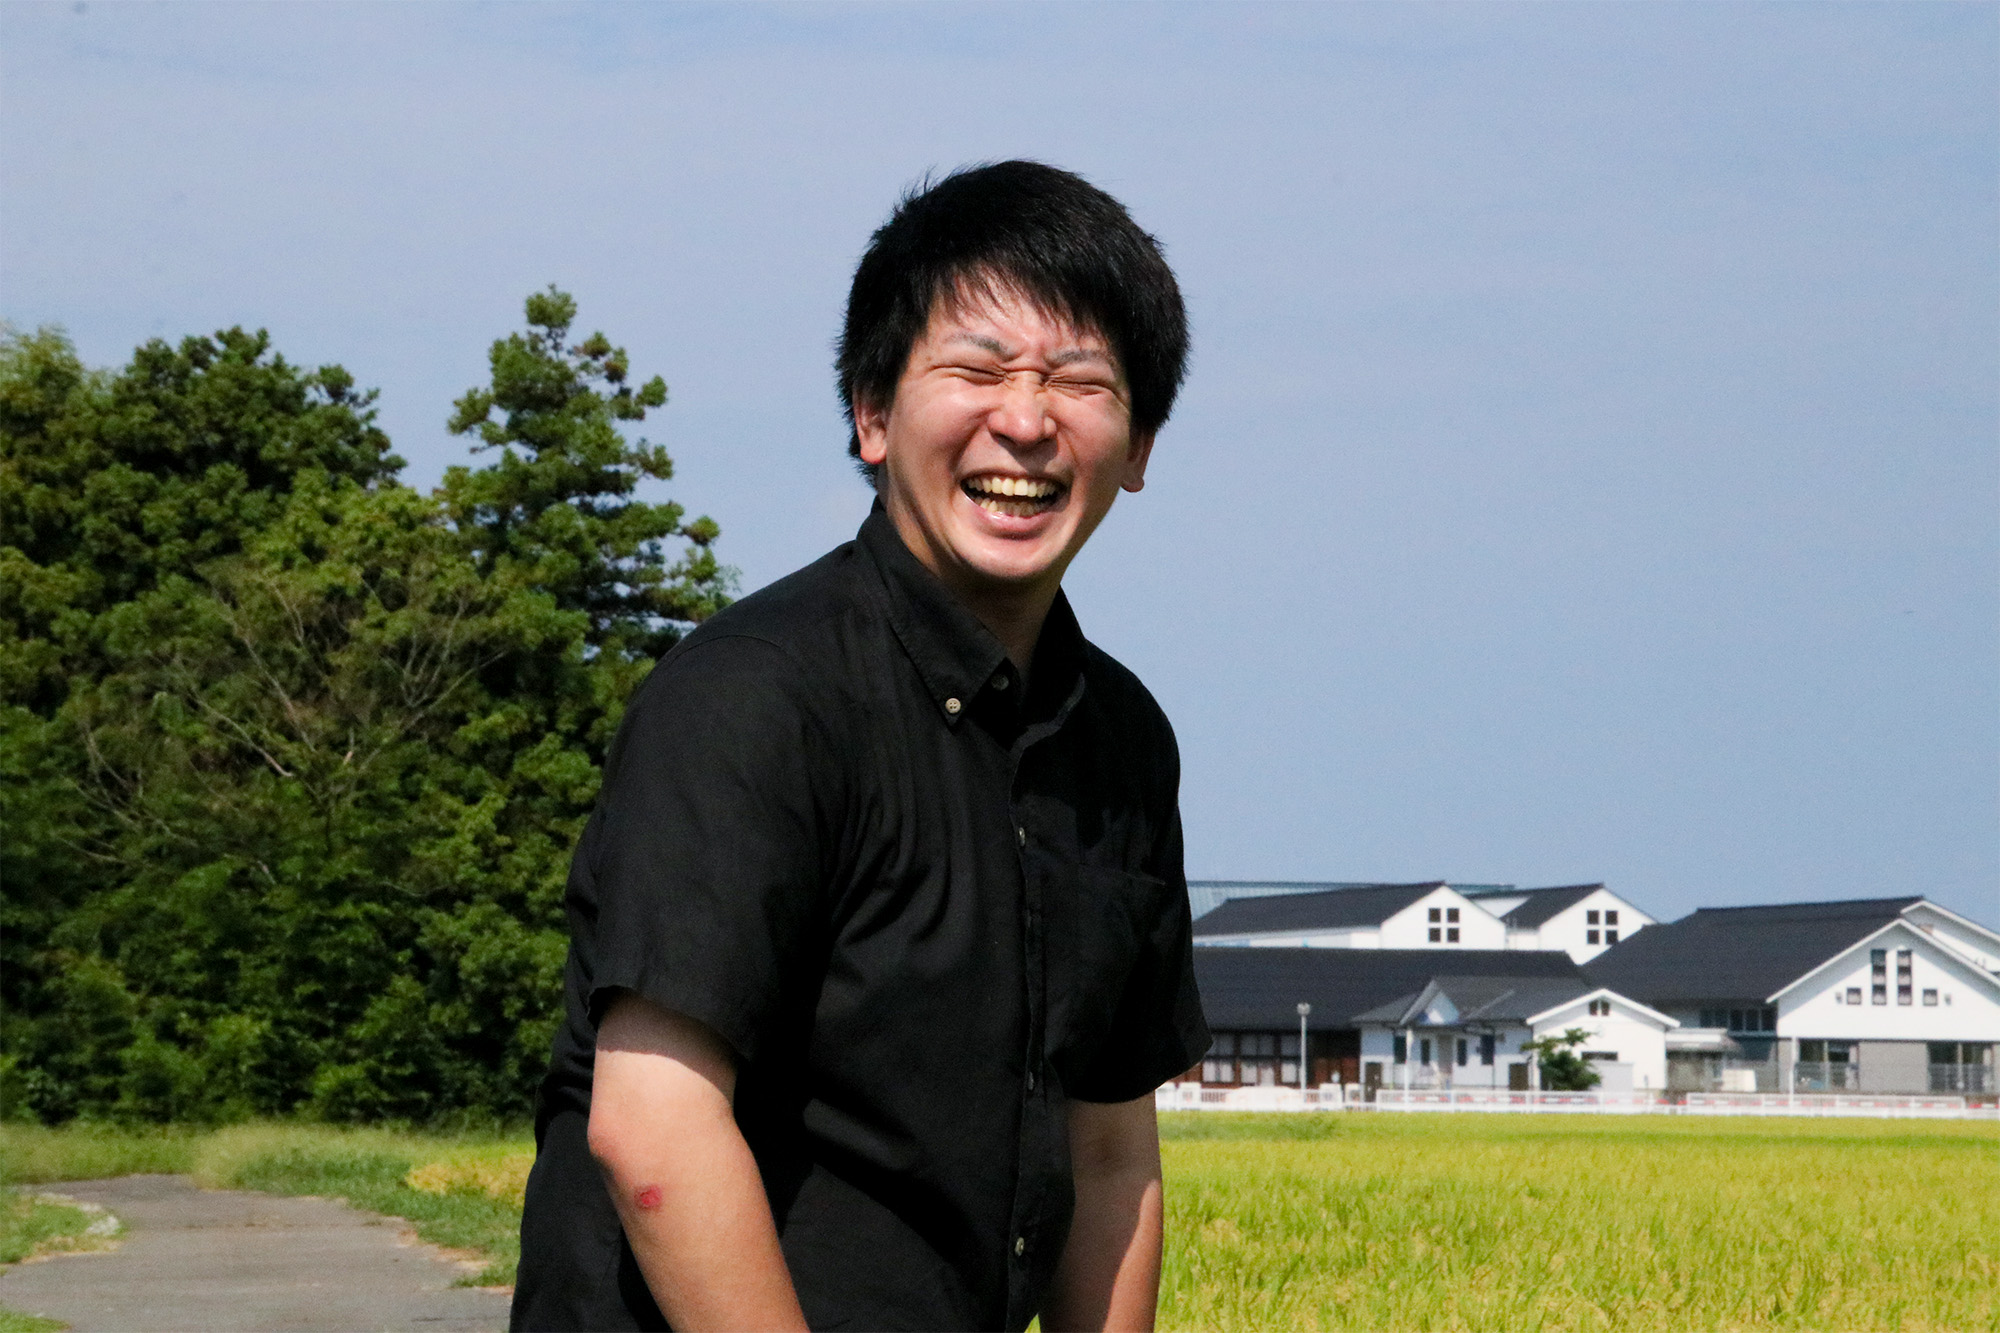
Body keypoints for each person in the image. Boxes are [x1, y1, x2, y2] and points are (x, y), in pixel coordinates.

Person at [510, 160, 1210, 1333]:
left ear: (1137, 444)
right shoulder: (752, 698)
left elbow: (1106, 1148)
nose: (1025, 421)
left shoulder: (1120, 743)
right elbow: (653, 1126)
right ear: (872, 414)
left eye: (1079, 381)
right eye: (976, 370)